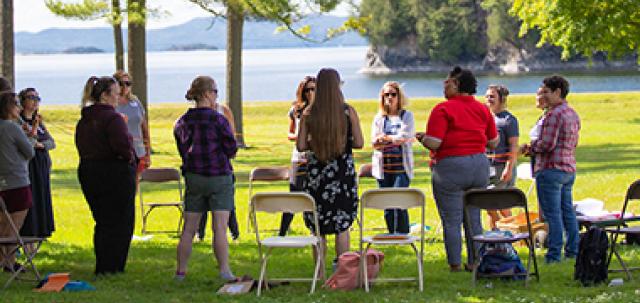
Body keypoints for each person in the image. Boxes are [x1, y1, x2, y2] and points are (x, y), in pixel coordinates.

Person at [416, 66, 498, 272]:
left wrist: (422, 138)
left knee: (452, 220)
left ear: (458, 85)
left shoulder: (443, 109)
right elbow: (494, 142)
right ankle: (475, 261)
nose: (444, 84)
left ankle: (455, 264)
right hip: (479, 165)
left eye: (448, 81)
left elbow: (434, 143)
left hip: (451, 167)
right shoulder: (482, 109)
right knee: (474, 218)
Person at [297, 68, 364, 275]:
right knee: (342, 226)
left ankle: (320, 273)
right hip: (342, 174)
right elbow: (360, 143)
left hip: (317, 176)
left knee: (318, 227)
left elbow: (300, 146)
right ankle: (343, 273)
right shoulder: (347, 111)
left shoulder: (308, 114)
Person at [174, 76, 238, 281]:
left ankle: (181, 271)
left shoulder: (183, 121)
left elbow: (182, 149)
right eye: (215, 92)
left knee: (189, 228)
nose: (216, 97)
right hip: (219, 176)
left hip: (194, 177)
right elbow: (231, 149)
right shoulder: (218, 120)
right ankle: (224, 271)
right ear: (207, 94)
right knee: (219, 227)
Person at [75, 76, 137, 275]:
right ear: (105, 96)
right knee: (120, 221)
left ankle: (104, 263)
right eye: (116, 94)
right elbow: (123, 146)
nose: (118, 98)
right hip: (114, 172)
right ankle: (114, 265)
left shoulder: (85, 119)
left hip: (89, 170)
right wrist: (130, 159)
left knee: (102, 220)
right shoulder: (112, 119)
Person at [521, 75, 580, 263]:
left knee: (552, 214)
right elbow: (574, 142)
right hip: (568, 168)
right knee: (567, 211)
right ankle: (573, 250)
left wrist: (530, 148)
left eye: (547, 92)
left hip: (551, 169)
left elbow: (547, 144)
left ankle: (554, 254)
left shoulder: (554, 114)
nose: (544, 96)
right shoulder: (572, 113)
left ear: (557, 92)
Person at [371, 81, 415, 234]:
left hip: (401, 167)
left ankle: (403, 233)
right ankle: (391, 233)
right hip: (383, 168)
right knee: (387, 203)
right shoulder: (379, 118)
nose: (389, 98)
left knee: (399, 201)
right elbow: (374, 142)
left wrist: (386, 138)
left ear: (399, 96)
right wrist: (385, 140)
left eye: (393, 94)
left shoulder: (406, 116)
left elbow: (404, 137)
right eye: (386, 95)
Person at [196, 93, 240, 241]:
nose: (216, 95)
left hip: (222, 163)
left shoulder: (223, 111)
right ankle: (199, 233)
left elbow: (231, 135)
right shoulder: (196, 114)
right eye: (214, 92)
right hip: (201, 165)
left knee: (227, 201)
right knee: (202, 202)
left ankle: (234, 233)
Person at [0, 91, 35, 272]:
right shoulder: (12, 128)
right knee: (14, 227)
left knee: (3, 224)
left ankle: (5, 260)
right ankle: (9, 262)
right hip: (17, 182)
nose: (20, 108)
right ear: (8, 107)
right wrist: (30, 136)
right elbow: (30, 152)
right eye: (16, 104)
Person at [279, 76, 316, 237]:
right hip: (299, 157)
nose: (310, 93)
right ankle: (282, 231)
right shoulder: (296, 110)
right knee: (295, 193)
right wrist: (298, 136)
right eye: (307, 89)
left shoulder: (322, 109)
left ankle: (314, 229)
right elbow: (290, 132)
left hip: (315, 157)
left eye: (313, 89)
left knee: (314, 195)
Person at [18, 88, 56, 239]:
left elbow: (51, 142)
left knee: (42, 196)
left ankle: (41, 229)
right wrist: (35, 142)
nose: (34, 101)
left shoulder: (38, 123)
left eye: (37, 98)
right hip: (29, 165)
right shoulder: (19, 123)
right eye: (31, 97)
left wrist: (41, 145)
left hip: (41, 165)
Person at [484, 84, 519, 229]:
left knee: (497, 204)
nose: (488, 99)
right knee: (489, 205)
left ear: (502, 99)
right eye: (487, 96)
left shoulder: (509, 120)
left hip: (501, 167)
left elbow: (513, 146)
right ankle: (496, 234)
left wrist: (509, 168)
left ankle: (513, 231)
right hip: (486, 166)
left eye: (492, 96)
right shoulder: (485, 117)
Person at [113, 71, 151, 179]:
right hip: (120, 152)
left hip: (138, 151)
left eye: (128, 83)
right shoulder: (112, 104)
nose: (124, 87)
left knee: (135, 183)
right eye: (121, 83)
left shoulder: (135, 102)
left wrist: (147, 152)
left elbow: (144, 129)